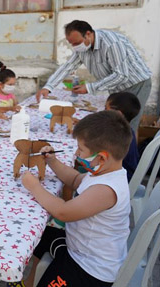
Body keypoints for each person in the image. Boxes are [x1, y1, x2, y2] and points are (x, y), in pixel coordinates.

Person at [16, 111, 132, 287]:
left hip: (89, 270)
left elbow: (63, 212)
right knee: (42, 235)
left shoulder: (106, 190)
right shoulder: (103, 171)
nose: (77, 153)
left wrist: (34, 187)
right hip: (80, 248)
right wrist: (53, 162)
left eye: (81, 150)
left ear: (101, 157)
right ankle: (29, 282)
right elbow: (76, 180)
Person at [36, 20, 151, 132]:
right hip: (116, 88)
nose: (74, 47)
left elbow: (121, 75)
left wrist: (89, 88)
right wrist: (49, 86)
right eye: (71, 44)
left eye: (76, 43)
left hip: (136, 84)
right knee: (115, 123)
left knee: (128, 126)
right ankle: (113, 149)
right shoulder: (83, 47)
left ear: (88, 34)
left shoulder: (112, 43)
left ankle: (130, 151)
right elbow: (68, 66)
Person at [105, 92, 141, 182]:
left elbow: (101, 162)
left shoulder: (117, 136)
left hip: (120, 180)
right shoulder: (126, 130)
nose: (103, 112)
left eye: (106, 109)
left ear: (117, 114)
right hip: (123, 174)